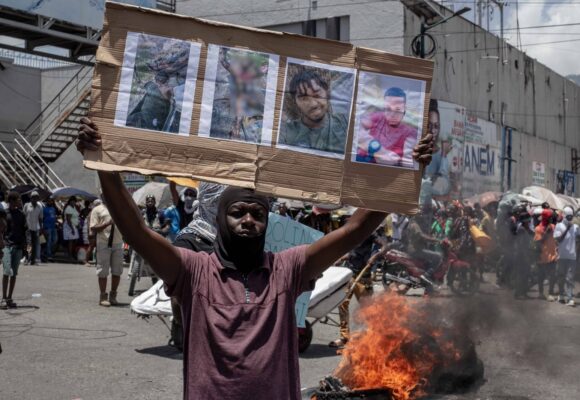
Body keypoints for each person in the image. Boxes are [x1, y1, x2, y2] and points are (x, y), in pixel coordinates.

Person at [77, 116, 433, 400]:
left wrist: (408, 170)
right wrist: (104, 165)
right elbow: (136, 230)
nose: (248, 220)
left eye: (257, 214)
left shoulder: (287, 268)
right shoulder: (192, 270)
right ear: (220, 219)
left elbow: (355, 228)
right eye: (238, 212)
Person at [330, 230, 384, 349]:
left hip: (363, 276)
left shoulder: (371, 233)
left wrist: (375, 256)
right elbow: (353, 253)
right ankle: (344, 337)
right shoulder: (353, 232)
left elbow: (385, 246)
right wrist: (341, 259)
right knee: (342, 304)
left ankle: (374, 336)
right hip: (349, 275)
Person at [278, 69, 349, 155]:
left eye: (317, 95)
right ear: (295, 102)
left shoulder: (345, 123)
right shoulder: (285, 132)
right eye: (303, 98)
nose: (313, 104)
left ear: (327, 93)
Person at [356, 87, 418, 167]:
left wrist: (367, 145)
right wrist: (378, 149)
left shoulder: (410, 132)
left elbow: (407, 165)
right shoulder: (379, 117)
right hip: (360, 161)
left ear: (404, 109)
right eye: (388, 109)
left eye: (397, 110)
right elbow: (356, 126)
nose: (392, 115)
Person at [90, 200, 124, 307]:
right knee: (103, 271)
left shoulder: (119, 208)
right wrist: (107, 223)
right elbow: (93, 227)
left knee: (117, 271)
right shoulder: (97, 210)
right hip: (104, 243)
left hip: (118, 243)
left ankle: (113, 296)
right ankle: (103, 297)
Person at [1, 192, 26, 310]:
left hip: (18, 246)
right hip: (6, 246)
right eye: (18, 199)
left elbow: (23, 230)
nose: (20, 201)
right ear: (12, 200)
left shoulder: (21, 214)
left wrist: (25, 246)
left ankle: (10, 298)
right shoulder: (4, 214)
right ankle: (3, 298)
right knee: (7, 271)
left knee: (14, 273)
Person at [553, 206, 580, 306]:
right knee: (561, 276)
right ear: (564, 216)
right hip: (562, 256)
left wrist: (577, 247)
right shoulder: (559, 226)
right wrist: (567, 229)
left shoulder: (575, 227)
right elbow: (558, 239)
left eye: (571, 217)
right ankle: (561, 295)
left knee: (570, 278)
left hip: (572, 256)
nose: (570, 219)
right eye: (568, 217)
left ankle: (570, 298)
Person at [533, 209, 558, 300]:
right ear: (545, 218)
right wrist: (546, 234)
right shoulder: (538, 229)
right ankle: (541, 293)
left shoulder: (553, 226)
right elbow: (537, 243)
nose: (551, 219)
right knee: (541, 276)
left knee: (552, 276)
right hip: (542, 256)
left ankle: (550, 293)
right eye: (550, 217)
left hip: (552, 255)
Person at [23, 191, 43, 265]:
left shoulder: (40, 206)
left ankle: (33, 260)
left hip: (36, 228)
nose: (34, 199)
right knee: (29, 243)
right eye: (33, 197)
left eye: (36, 197)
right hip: (28, 227)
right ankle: (27, 258)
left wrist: (41, 227)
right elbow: (24, 215)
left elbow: (40, 218)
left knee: (35, 244)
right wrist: (24, 224)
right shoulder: (26, 205)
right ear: (31, 198)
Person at [42, 197, 59, 262]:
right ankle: (49, 254)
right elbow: (42, 218)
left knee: (55, 240)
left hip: (53, 226)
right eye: (49, 201)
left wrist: (56, 222)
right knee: (48, 241)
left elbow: (54, 216)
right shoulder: (44, 209)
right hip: (47, 227)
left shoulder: (53, 208)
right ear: (47, 202)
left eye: (51, 201)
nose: (50, 202)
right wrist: (43, 227)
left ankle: (47, 251)